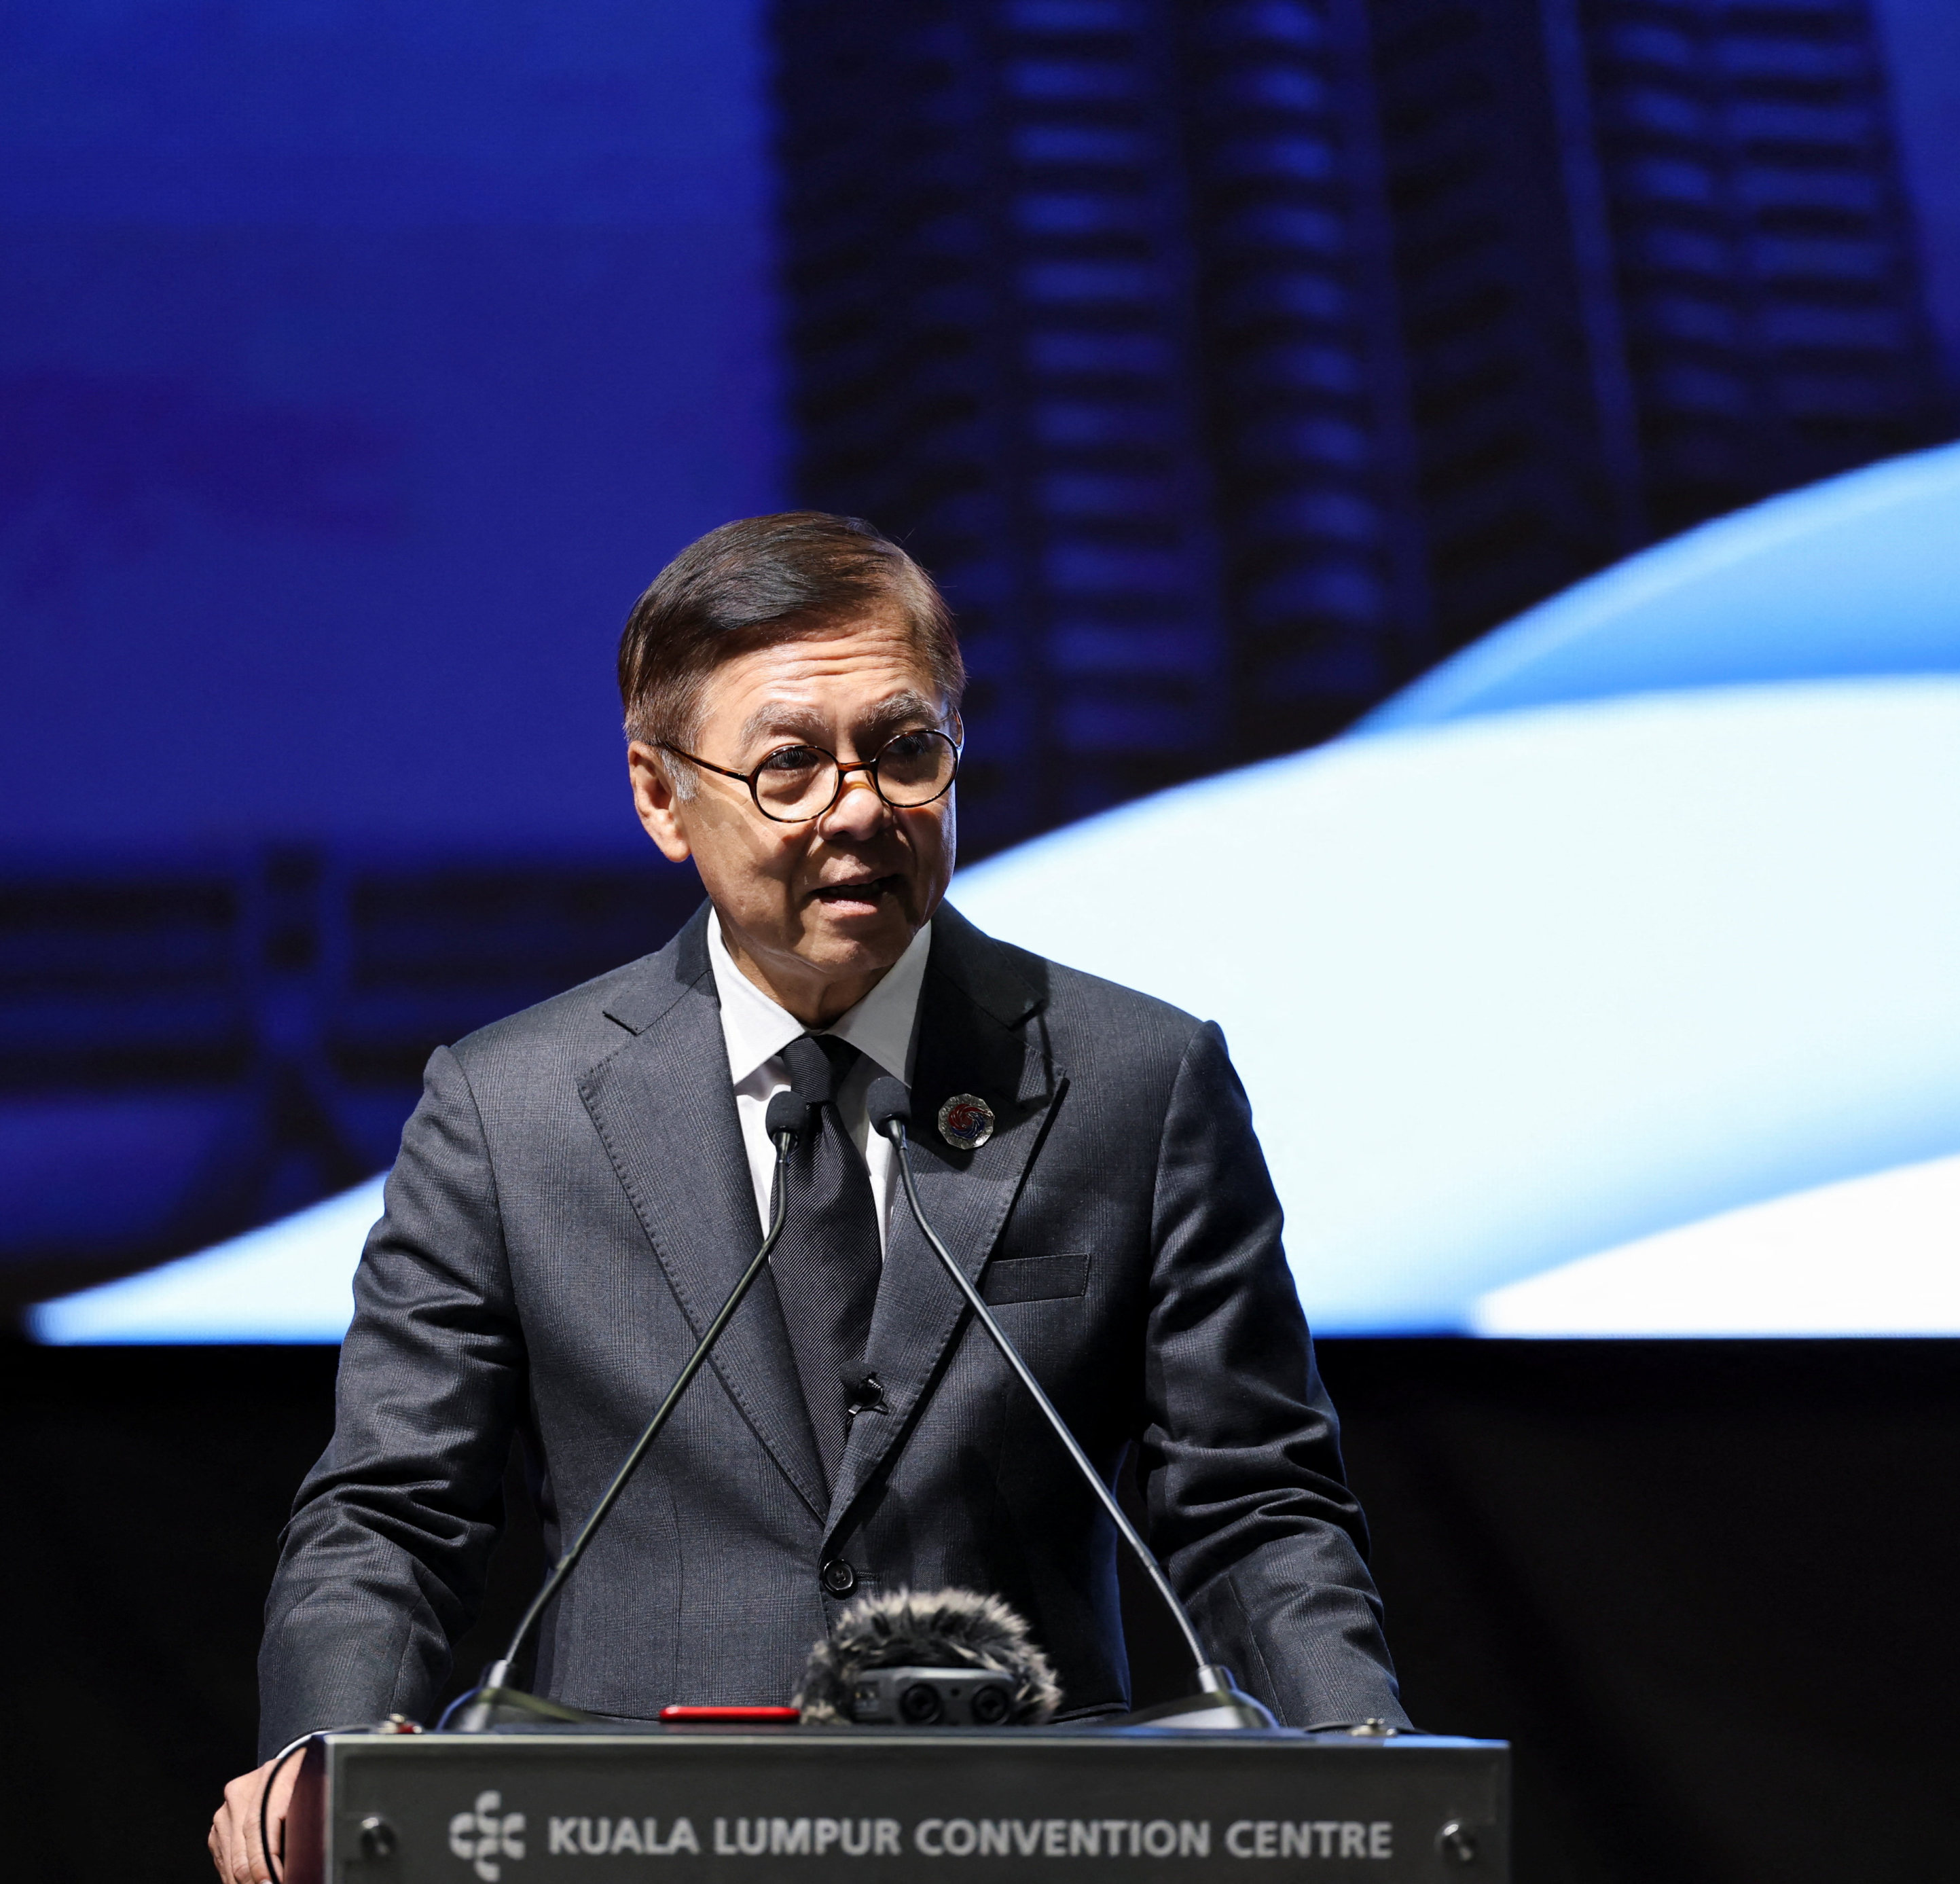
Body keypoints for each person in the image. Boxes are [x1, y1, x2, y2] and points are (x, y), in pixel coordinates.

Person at [208, 513, 1403, 1883]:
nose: (859, 809)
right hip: (626, 1850)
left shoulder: (1134, 1082)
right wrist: (329, 1755)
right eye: (789, 766)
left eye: (905, 749)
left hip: (1024, 1844)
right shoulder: (510, 1111)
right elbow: (392, 1512)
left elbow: (1254, 1505)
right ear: (661, 796)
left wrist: (1357, 1762)